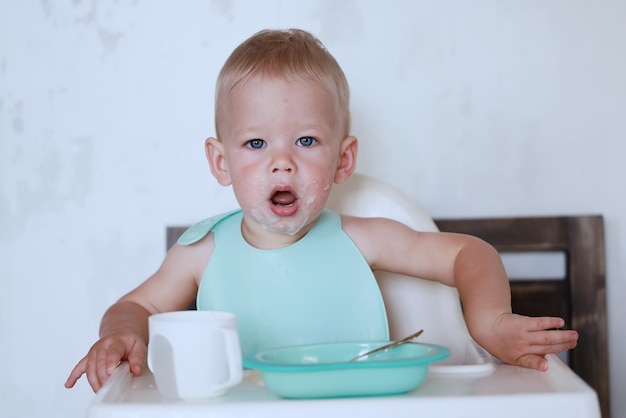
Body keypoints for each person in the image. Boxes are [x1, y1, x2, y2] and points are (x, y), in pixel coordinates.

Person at [65, 28, 578, 393]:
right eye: (256, 143)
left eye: (306, 140)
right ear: (221, 162)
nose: (281, 163)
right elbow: (140, 307)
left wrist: (490, 321)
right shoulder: (201, 252)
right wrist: (119, 335)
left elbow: (468, 253)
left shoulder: (361, 238)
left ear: (343, 159)